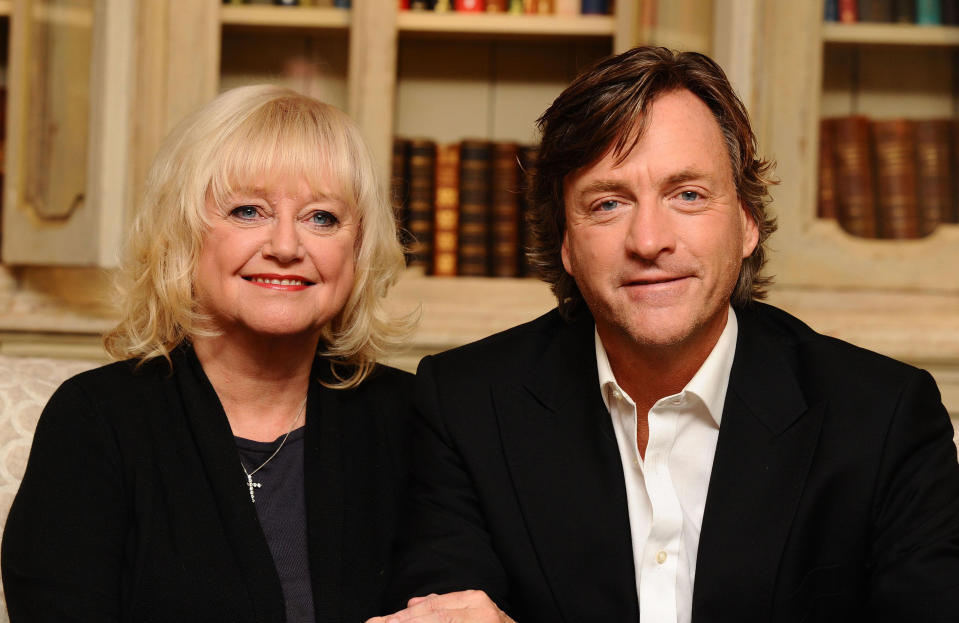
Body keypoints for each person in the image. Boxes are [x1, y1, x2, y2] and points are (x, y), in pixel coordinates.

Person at [372, 47, 959, 623]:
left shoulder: (884, 416)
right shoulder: (466, 405)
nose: (649, 240)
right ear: (566, 244)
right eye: (608, 203)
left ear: (747, 222)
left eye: (688, 195)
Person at [2, 85, 415, 623]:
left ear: (358, 250)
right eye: (248, 211)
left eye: (322, 218)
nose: (287, 247)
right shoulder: (96, 420)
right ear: (182, 235)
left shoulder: (415, 419)